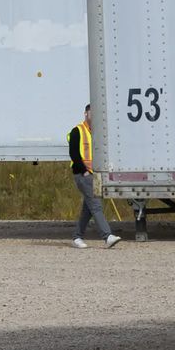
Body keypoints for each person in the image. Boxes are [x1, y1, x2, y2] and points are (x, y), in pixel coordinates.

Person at [67, 103, 119, 249]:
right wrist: (83, 170)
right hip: (83, 175)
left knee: (88, 208)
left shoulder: (96, 132)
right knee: (96, 205)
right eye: (91, 113)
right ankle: (107, 236)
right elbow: (74, 154)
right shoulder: (77, 131)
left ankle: (77, 237)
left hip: (94, 175)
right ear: (85, 114)